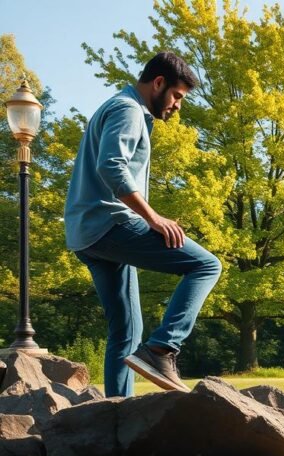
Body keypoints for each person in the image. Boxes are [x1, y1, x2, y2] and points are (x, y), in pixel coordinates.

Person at [64, 52, 221, 397]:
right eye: (177, 96)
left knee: (125, 330)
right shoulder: (128, 110)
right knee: (207, 266)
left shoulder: (118, 106)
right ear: (159, 83)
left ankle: (117, 415)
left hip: (87, 234)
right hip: (110, 224)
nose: (178, 106)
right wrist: (153, 218)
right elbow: (112, 166)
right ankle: (163, 348)